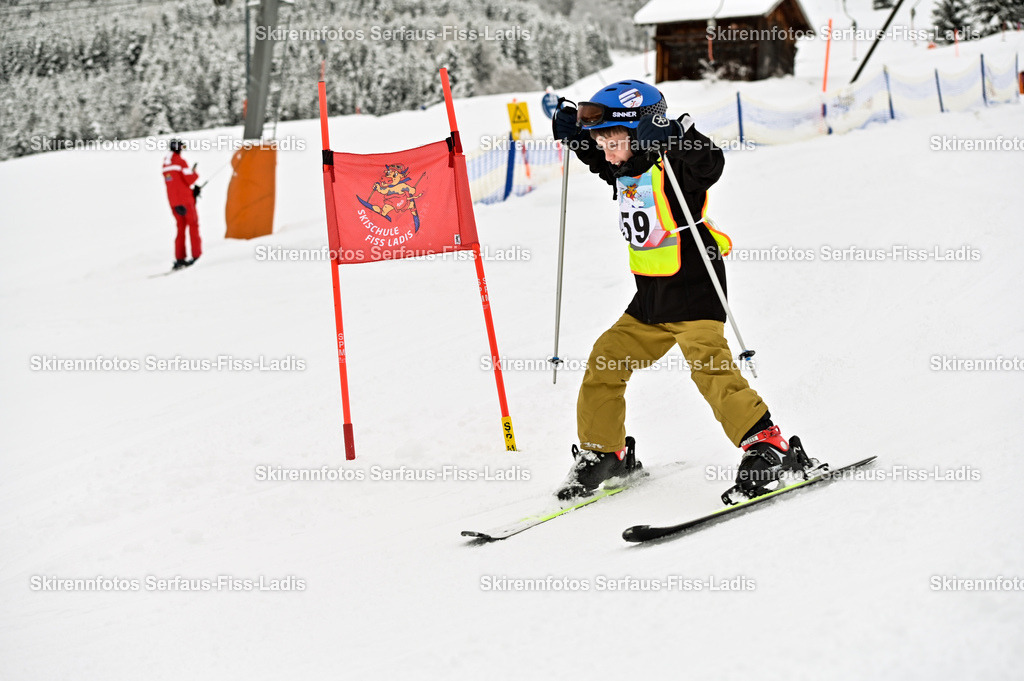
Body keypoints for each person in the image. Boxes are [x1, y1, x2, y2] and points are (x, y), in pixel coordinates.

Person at [551, 80, 806, 503]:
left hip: (693, 287)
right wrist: (578, 138)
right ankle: (606, 452)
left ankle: (769, 446)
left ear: (644, 134)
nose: (608, 153)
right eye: (602, 143)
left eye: (614, 142)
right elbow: (601, 158)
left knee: (709, 366)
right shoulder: (625, 169)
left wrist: (676, 135)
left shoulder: (676, 168)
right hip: (650, 299)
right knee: (605, 360)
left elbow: (710, 163)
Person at [162, 138, 202, 269]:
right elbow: (189, 179)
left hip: (173, 203)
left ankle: (180, 258)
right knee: (193, 226)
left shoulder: (165, 164)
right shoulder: (180, 161)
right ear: (179, 148)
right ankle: (197, 256)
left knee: (180, 228)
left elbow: (175, 183)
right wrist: (194, 173)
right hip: (185, 201)